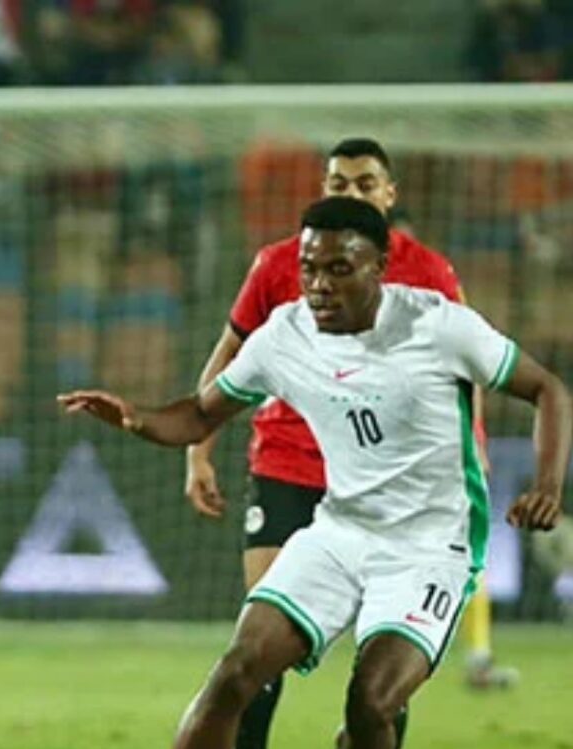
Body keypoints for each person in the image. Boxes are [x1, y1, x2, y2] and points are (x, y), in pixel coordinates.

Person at [59, 196, 573, 749]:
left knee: (370, 703)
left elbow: (548, 389)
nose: (319, 285)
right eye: (308, 268)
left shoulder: (438, 325)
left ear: (379, 267)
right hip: (339, 533)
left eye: (338, 269)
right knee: (235, 674)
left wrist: (547, 485)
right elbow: (201, 414)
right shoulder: (285, 336)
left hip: (429, 547)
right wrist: (136, 417)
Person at [185, 136, 512, 749]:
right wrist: (196, 450)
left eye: (365, 183)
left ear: (389, 194)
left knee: (381, 669)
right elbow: (228, 354)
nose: (352, 193)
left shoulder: (429, 271)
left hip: (393, 488)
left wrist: (472, 444)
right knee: (257, 649)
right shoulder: (278, 264)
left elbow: (468, 368)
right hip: (288, 463)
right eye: (339, 183)